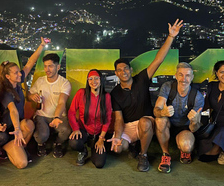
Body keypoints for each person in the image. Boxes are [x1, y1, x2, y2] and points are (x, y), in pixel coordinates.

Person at [109, 19, 183, 172]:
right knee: (117, 149)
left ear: (130, 70)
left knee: (144, 122)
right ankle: (133, 145)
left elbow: (158, 60)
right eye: (120, 70)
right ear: (116, 73)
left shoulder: (141, 79)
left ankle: (143, 155)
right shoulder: (115, 92)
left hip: (147, 121)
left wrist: (171, 37)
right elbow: (118, 118)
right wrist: (117, 135)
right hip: (129, 126)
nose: (123, 72)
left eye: (126, 69)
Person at [0, 37, 49, 168]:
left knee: (29, 124)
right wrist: (17, 129)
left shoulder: (17, 82)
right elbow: (13, 110)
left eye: (19, 72)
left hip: (18, 127)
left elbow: (30, 63)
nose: (20, 75)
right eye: (16, 73)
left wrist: (41, 45)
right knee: (22, 164)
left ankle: (19, 147)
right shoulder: (6, 91)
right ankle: (6, 147)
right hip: (8, 131)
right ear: (8, 76)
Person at [153, 62, 204, 173]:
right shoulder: (167, 87)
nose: (183, 79)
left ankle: (183, 149)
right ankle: (166, 154)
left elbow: (194, 129)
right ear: (176, 76)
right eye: (180, 75)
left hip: (185, 128)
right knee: (160, 120)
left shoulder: (198, 97)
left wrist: (195, 122)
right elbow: (156, 110)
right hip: (168, 124)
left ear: (192, 77)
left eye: (187, 75)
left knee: (187, 146)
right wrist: (163, 112)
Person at [28, 53, 71, 158]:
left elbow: (61, 102)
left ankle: (58, 143)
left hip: (59, 116)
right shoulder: (40, 81)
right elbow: (29, 94)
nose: (47, 69)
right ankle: (40, 143)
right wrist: (32, 96)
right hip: (42, 115)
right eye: (45, 66)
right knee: (41, 136)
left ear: (58, 67)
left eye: (50, 66)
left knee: (66, 131)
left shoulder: (64, 83)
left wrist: (56, 117)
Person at [68, 69, 112, 168]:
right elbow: (71, 112)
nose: (93, 81)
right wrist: (75, 129)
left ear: (101, 80)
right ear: (88, 81)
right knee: (74, 142)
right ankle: (83, 151)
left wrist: (101, 138)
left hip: (98, 135)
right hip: (84, 131)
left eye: (96, 78)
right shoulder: (81, 93)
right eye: (90, 79)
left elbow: (108, 118)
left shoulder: (107, 96)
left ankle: (94, 150)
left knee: (99, 164)